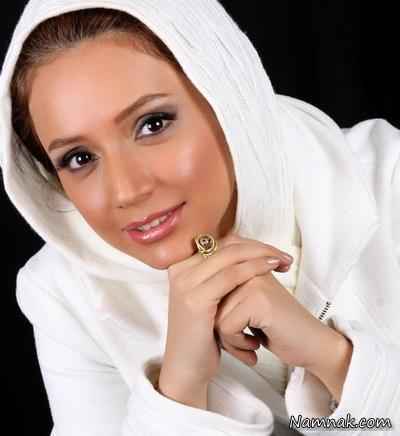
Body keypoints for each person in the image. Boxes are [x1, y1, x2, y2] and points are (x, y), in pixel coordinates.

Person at [1, 0, 399, 435]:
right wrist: (180, 390)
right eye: (79, 158)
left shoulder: (388, 175)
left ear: (228, 94)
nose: (127, 190)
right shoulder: (62, 291)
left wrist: (331, 357)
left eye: (153, 124)